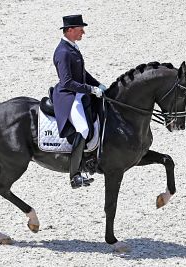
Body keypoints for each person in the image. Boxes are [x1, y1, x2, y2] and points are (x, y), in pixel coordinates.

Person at [52, 14, 107, 189]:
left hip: (79, 93)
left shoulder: (72, 47)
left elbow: (82, 73)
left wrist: (98, 84)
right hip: (68, 96)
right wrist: (91, 89)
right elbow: (67, 81)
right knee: (82, 129)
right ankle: (74, 175)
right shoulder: (63, 52)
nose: (83, 31)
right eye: (80, 28)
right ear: (69, 30)